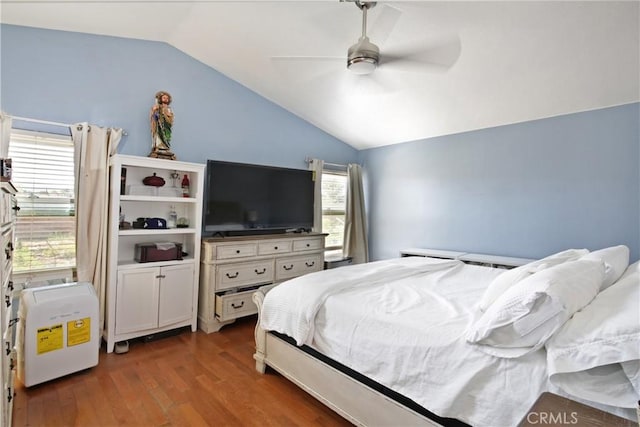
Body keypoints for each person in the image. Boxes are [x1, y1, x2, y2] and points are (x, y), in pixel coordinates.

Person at [149, 91, 176, 159]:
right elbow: (153, 114)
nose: (165, 99)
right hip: (159, 125)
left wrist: (166, 115)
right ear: (160, 99)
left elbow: (171, 118)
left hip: (166, 126)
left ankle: (166, 147)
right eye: (164, 98)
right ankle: (158, 147)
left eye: (167, 98)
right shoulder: (158, 107)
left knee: (167, 136)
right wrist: (155, 111)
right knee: (159, 135)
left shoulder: (169, 109)